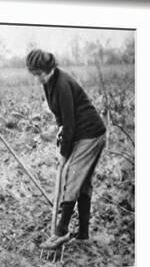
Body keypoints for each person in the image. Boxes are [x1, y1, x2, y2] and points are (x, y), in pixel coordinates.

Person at [26, 49, 106, 249]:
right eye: (34, 74)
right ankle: (83, 234)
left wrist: (64, 154)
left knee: (71, 177)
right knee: (83, 182)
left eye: (39, 74)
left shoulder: (62, 84)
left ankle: (61, 231)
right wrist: (61, 141)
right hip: (78, 133)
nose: (37, 79)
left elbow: (70, 123)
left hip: (90, 134)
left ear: (49, 69)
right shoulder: (48, 83)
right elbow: (61, 118)